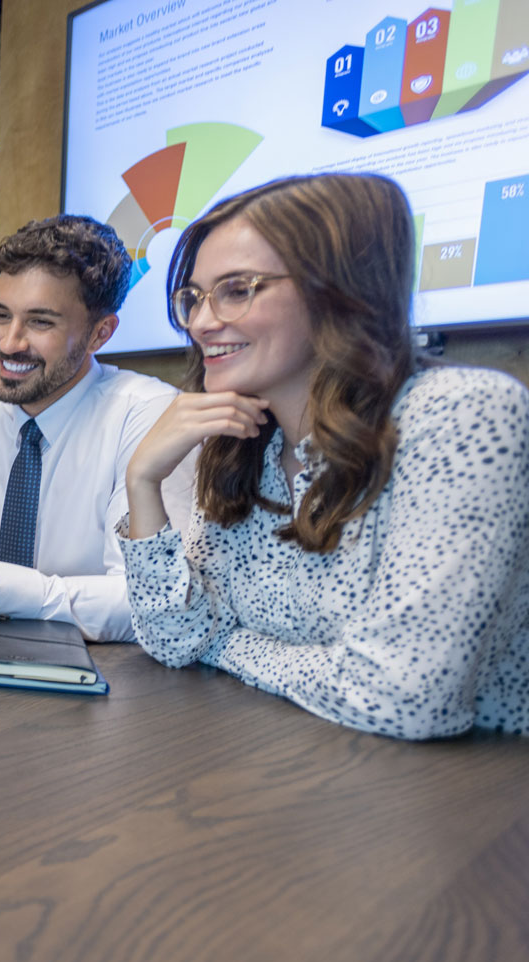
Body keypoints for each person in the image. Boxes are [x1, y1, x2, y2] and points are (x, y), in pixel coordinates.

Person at [118, 173, 529, 739]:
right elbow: (177, 637)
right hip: (317, 767)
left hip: (478, 790)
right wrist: (142, 480)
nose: (201, 321)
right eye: (193, 297)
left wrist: (228, 644)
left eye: (237, 289)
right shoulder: (247, 442)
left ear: (336, 289)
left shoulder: (462, 414)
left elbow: (401, 697)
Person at [0, 215, 195, 642]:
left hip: (113, 680)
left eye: (41, 322)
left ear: (99, 334)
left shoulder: (149, 416)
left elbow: (143, 601)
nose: (10, 342)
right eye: (1, 315)